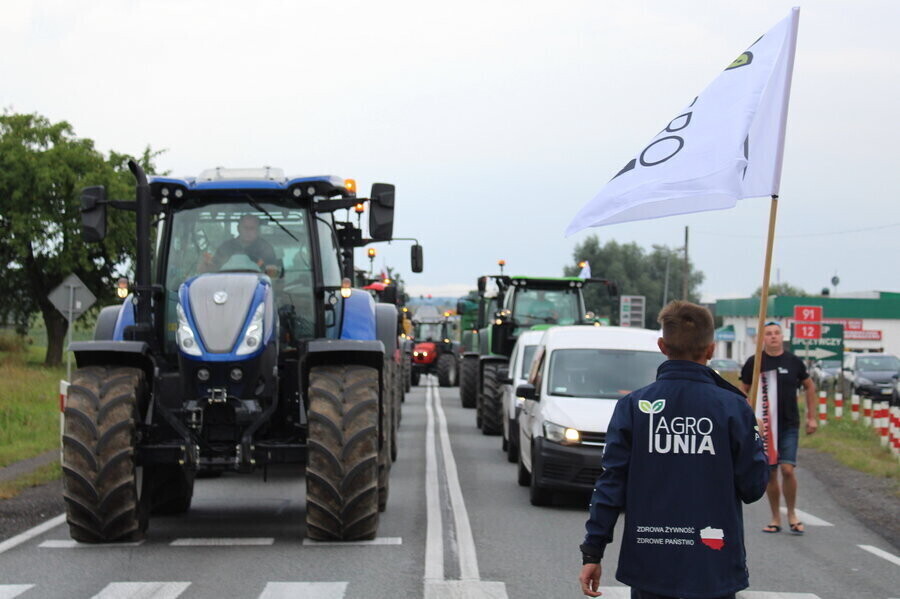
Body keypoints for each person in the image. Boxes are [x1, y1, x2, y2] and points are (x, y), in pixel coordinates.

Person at [579, 301, 768, 599]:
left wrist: (593, 552)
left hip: (650, 564)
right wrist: (757, 440)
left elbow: (611, 484)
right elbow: (753, 487)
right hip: (712, 564)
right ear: (711, 350)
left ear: (662, 346)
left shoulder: (633, 407)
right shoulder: (733, 408)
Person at [740, 321, 818, 535]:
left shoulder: (793, 362)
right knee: (771, 472)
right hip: (766, 426)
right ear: (761, 338)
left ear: (782, 336)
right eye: (768, 334)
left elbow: (809, 386)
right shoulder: (755, 362)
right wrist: (747, 414)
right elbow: (742, 389)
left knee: (787, 469)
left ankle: (792, 513)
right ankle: (775, 517)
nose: (773, 337)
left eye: (776, 333)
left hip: (789, 424)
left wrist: (812, 417)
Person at [200, 214, 278, 277]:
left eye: (252, 228)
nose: (248, 231)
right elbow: (214, 269)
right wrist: (206, 267)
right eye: (245, 228)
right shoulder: (226, 248)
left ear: (258, 230)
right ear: (238, 228)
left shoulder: (266, 249)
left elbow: (273, 275)